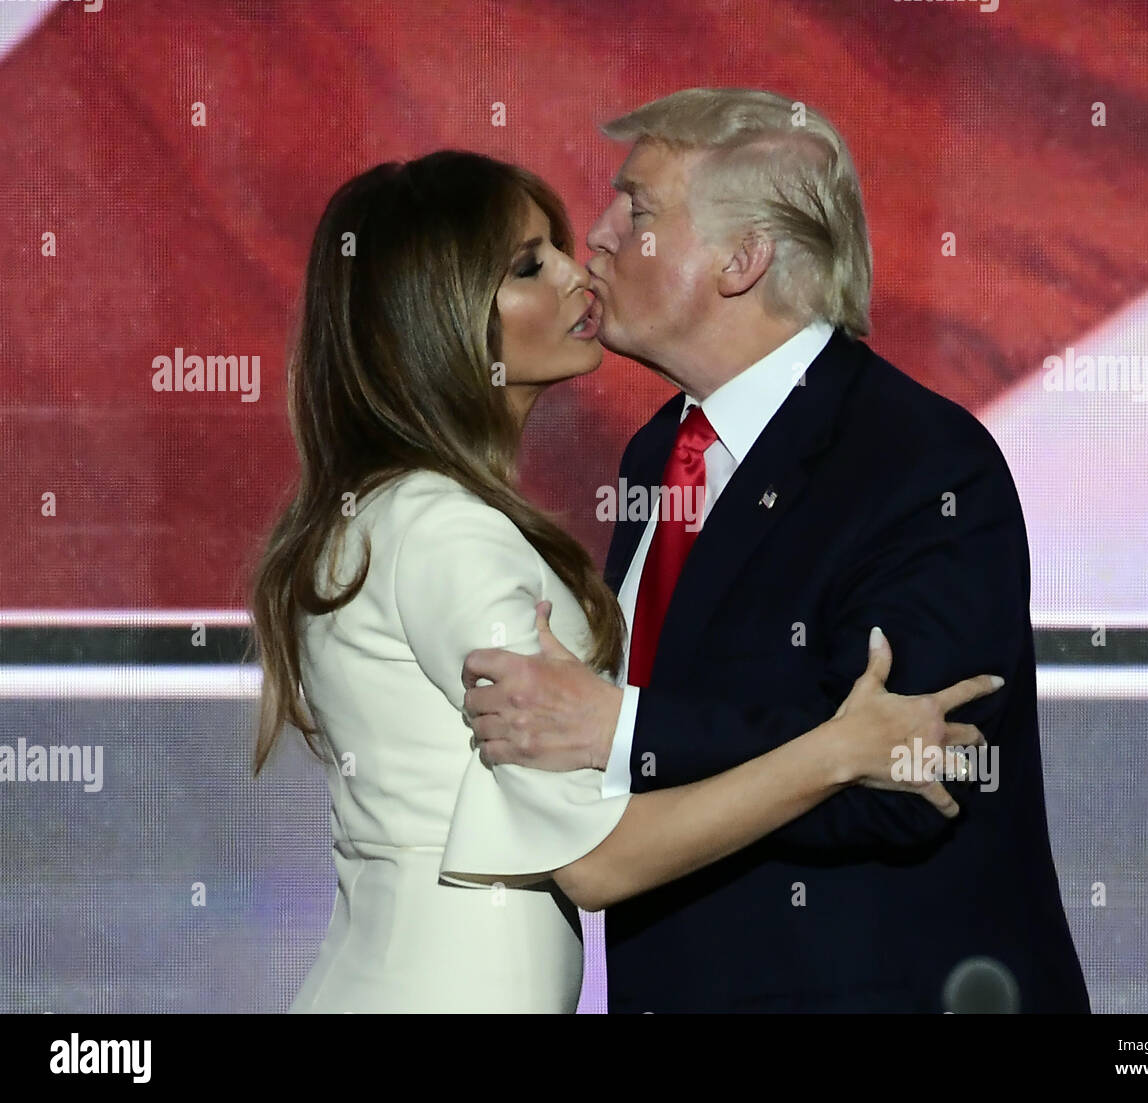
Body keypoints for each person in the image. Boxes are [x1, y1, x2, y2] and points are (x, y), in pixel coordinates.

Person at [248, 149, 999, 1013]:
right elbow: (597, 859)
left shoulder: (392, 510)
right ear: (439, 318)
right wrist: (837, 749)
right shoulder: (448, 529)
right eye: (531, 265)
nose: (582, 270)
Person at [461, 89, 1092, 1013]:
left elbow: (916, 770)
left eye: (637, 208)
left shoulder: (919, 460)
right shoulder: (660, 452)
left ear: (743, 259)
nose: (595, 235)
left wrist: (619, 727)